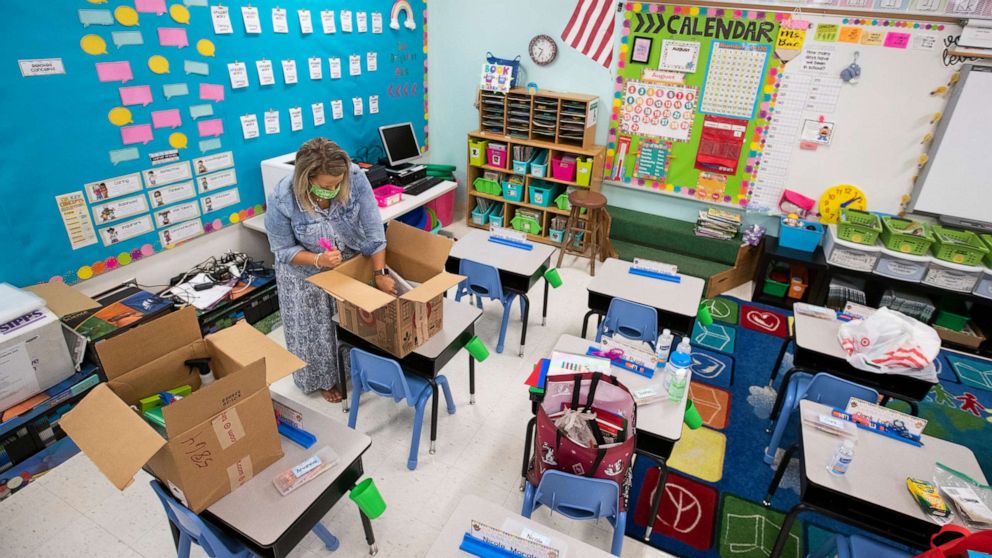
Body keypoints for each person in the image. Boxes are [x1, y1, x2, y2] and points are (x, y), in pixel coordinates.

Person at [265, 138, 395, 402]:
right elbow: (283, 251)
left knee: (351, 322)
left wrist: (379, 274)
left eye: (338, 184)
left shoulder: (355, 178)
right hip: (304, 274)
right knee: (315, 331)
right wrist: (317, 260)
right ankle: (323, 379)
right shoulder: (283, 198)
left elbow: (373, 230)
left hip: (346, 264)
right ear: (307, 178)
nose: (334, 190)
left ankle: (353, 371)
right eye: (326, 186)